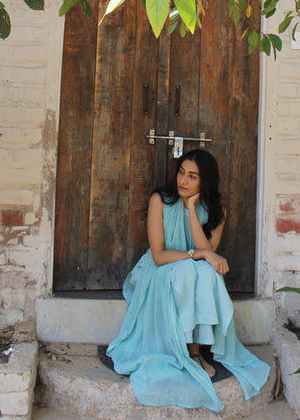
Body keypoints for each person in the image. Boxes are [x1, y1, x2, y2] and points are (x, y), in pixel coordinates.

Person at [106, 149, 271, 412]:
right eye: (181, 172)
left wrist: (192, 210)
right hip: (160, 270)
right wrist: (199, 254)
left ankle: (193, 351)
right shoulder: (160, 200)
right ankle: (184, 351)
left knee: (204, 272)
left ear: (205, 182)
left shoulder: (217, 211)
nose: (183, 180)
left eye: (192, 176)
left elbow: (208, 251)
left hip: (190, 269)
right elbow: (159, 256)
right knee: (190, 270)